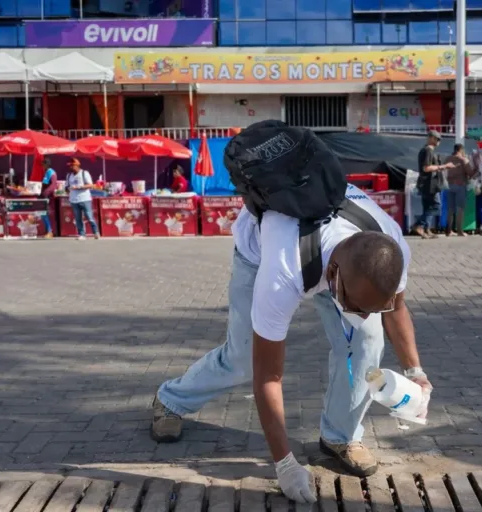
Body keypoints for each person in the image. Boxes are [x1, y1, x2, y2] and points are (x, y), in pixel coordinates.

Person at [152, 123, 432, 504]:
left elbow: (395, 307)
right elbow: (269, 377)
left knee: (367, 341)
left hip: (335, 265)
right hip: (258, 257)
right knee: (242, 360)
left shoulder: (389, 244)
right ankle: (171, 399)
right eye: (354, 306)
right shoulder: (282, 272)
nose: (360, 313)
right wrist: (283, 463)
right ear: (333, 278)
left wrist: (416, 372)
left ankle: (340, 436)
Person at [412, 130, 454, 239]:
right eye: (437, 139)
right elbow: (426, 168)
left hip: (427, 183)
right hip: (429, 184)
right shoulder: (428, 151)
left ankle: (426, 230)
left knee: (427, 207)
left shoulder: (427, 151)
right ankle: (419, 225)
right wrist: (443, 166)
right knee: (436, 206)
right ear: (431, 138)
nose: (438, 141)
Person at [444, 144, 475, 237]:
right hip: (460, 185)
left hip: (449, 186)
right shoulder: (463, 160)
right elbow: (470, 173)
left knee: (450, 209)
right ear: (461, 150)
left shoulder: (447, 159)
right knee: (460, 208)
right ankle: (460, 231)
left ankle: (448, 230)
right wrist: (476, 167)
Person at [66, 158, 100, 241]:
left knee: (89, 216)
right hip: (74, 200)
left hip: (85, 199)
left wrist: (79, 187)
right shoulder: (69, 175)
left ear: (77, 165)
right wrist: (67, 189)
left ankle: (95, 232)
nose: (70, 167)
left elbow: (90, 185)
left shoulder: (84, 173)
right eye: (69, 166)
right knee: (78, 218)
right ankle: (82, 234)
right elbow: (66, 186)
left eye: (72, 165)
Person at [40, 158, 57, 239]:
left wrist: (46, 193)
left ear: (46, 164)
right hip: (44, 196)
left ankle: (50, 232)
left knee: (44, 213)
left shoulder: (51, 172)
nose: (42, 166)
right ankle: (48, 231)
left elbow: (53, 185)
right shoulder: (47, 172)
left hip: (47, 196)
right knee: (42, 213)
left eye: (43, 164)